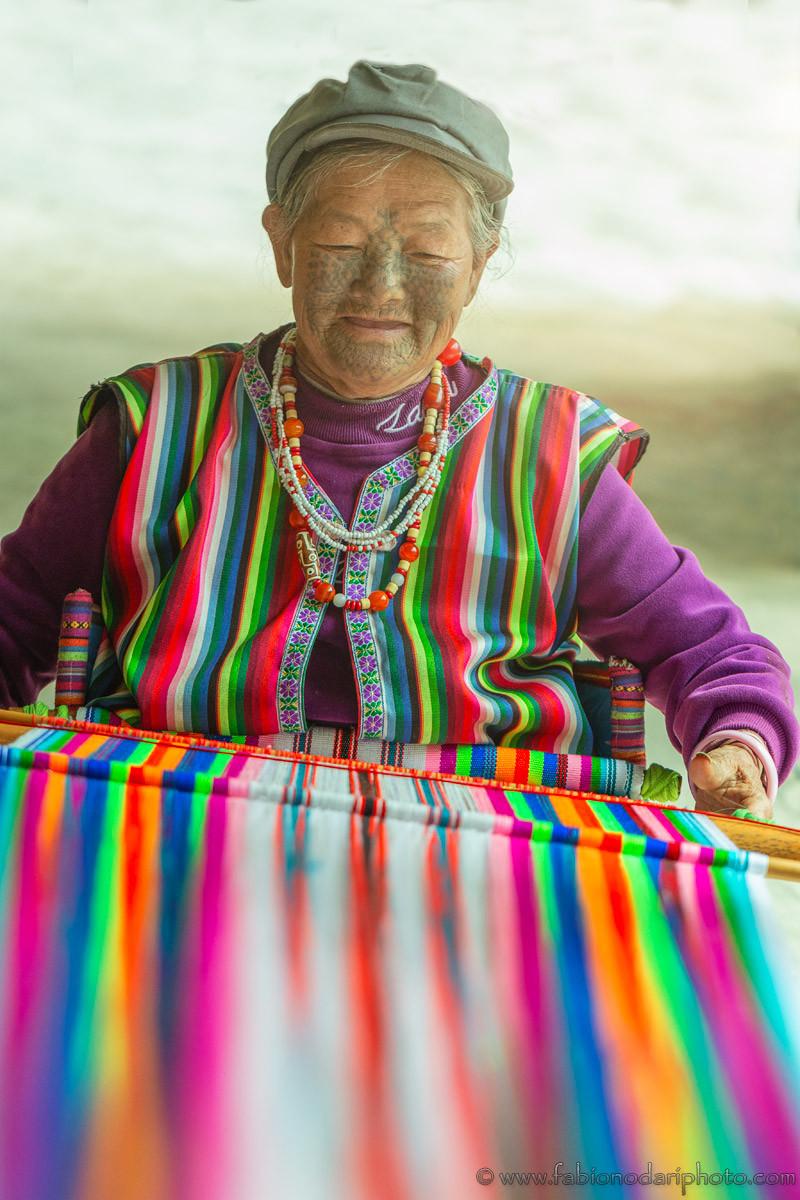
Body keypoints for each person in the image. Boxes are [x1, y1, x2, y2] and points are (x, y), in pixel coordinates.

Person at [0, 61, 796, 820]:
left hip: (497, 854)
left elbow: (709, 649)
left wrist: (735, 742)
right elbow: (16, 615)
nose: (381, 285)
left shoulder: (549, 457)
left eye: (427, 252)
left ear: (478, 267)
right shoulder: (155, 426)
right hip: (174, 832)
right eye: (342, 242)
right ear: (282, 243)